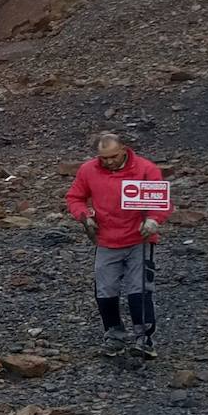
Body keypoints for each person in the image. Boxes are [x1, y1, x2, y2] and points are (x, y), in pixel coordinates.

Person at [65, 133, 170, 358]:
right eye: (103, 158)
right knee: (105, 290)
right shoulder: (88, 170)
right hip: (106, 239)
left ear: (124, 148)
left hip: (139, 239)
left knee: (139, 288)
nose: (109, 161)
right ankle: (114, 335)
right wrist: (84, 216)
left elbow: (161, 200)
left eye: (113, 156)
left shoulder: (146, 169)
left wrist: (153, 220)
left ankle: (144, 339)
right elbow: (75, 197)